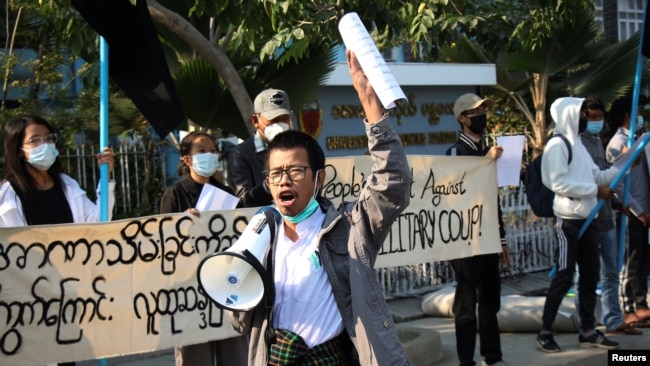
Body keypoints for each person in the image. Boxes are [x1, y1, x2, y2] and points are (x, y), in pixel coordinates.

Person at [226, 50, 412, 365]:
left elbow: (391, 183)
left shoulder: (349, 229)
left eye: (296, 171)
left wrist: (373, 110)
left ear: (319, 177)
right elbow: (238, 320)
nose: (284, 181)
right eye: (276, 174)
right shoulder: (260, 238)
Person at [0, 115, 116, 366]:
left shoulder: (67, 185)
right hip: (28, 302)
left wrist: (106, 179)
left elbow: (97, 224)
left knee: (64, 358)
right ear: (19, 150)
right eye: (35, 140)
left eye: (49, 138)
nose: (45, 144)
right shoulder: (8, 195)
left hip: (67, 297)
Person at [536, 97, 619, 353]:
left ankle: (588, 330)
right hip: (568, 222)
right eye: (582, 112)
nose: (585, 117)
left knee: (590, 276)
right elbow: (557, 183)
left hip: (588, 219)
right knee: (563, 276)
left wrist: (622, 164)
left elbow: (599, 175)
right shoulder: (557, 146)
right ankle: (545, 332)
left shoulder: (579, 146)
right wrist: (594, 190)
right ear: (570, 114)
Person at [159, 131, 248, 366]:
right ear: (187, 159)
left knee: (235, 357)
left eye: (212, 150)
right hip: (190, 295)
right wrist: (182, 226)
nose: (210, 155)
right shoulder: (174, 195)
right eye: (202, 151)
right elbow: (164, 244)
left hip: (226, 288)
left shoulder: (227, 194)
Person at [445, 93, 510, 366]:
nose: (480, 118)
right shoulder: (456, 152)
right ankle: (466, 361)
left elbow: (491, 198)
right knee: (466, 306)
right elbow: (457, 193)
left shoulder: (487, 151)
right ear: (461, 118)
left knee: (490, 303)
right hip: (464, 242)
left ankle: (492, 357)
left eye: (483, 112)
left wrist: (502, 238)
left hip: (489, 238)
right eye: (474, 113)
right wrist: (486, 161)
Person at [575, 96, 641, 335]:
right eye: (591, 117)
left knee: (611, 271)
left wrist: (615, 202)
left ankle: (614, 319)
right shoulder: (576, 144)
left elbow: (605, 176)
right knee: (585, 274)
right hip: (586, 218)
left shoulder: (598, 142)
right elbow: (577, 180)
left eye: (599, 117)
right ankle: (584, 323)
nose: (596, 121)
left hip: (605, 217)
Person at [605, 96, 650, 328]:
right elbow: (619, 183)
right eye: (637, 111)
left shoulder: (639, 140)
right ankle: (628, 307)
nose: (640, 115)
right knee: (630, 261)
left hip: (644, 209)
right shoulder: (617, 144)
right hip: (632, 211)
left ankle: (642, 305)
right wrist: (639, 210)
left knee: (643, 260)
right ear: (627, 116)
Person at [226, 88, 293, 208]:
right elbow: (243, 201)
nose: (280, 124)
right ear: (256, 121)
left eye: (284, 118)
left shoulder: (298, 148)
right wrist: (268, 185)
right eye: (273, 120)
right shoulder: (240, 154)